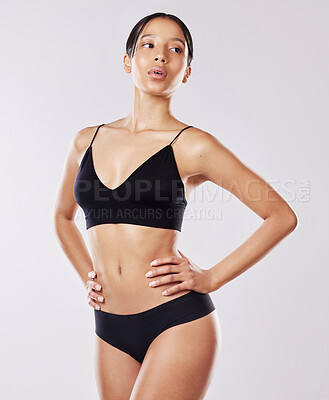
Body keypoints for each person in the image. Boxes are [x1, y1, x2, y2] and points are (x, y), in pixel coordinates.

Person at [52, 12, 298, 400]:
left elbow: (281, 215)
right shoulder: (86, 140)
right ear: (127, 60)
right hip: (109, 326)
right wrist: (88, 275)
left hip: (176, 321)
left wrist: (212, 277)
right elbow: (62, 218)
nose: (160, 56)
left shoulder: (193, 145)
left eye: (175, 49)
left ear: (185, 72)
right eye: (148, 45)